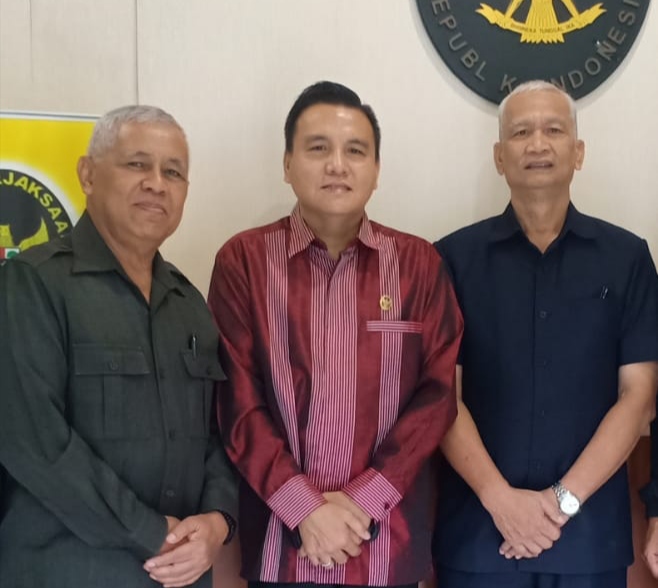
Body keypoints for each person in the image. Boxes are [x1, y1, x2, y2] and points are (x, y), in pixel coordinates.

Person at [208, 81, 463, 588]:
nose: (337, 165)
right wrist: (304, 509)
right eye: (318, 148)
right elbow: (236, 401)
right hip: (281, 547)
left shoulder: (418, 264)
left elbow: (436, 398)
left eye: (355, 151)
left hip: (387, 546)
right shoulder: (243, 262)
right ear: (287, 163)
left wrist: (363, 501)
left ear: (376, 169)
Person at [432, 79, 658, 588]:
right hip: (478, 535)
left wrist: (560, 503)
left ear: (578, 152)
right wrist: (500, 501)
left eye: (554, 130)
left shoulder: (627, 259)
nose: (537, 144)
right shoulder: (452, 259)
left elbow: (639, 397)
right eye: (520, 132)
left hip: (588, 538)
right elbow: (443, 395)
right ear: (499, 156)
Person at [0, 105, 237, 588]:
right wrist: (148, 531)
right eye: (137, 164)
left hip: (182, 574)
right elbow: (33, 441)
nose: (157, 184)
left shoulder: (189, 301)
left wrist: (217, 521)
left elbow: (218, 431)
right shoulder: (33, 282)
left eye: (174, 172)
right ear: (87, 175)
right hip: (68, 572)